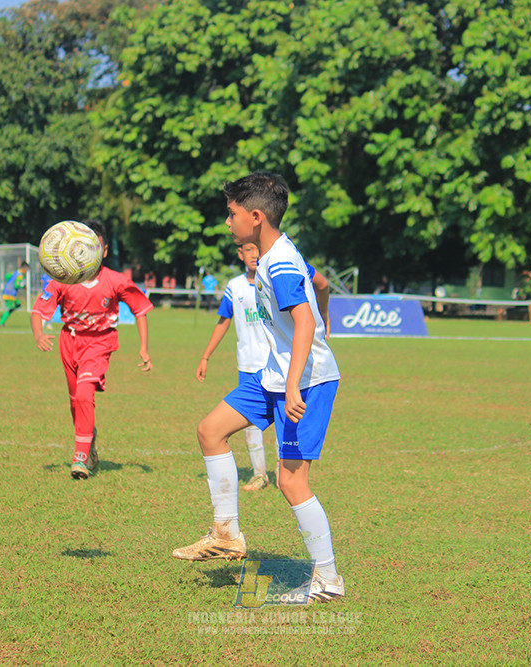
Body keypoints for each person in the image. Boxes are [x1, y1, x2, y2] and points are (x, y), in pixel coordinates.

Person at [173, 172, 345, 604]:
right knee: (210, 431)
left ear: (254, 217)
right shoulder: (272, 256)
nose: (227, 223)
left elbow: (305, 322)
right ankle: (226, 533)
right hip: (271, 376)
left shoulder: (281, 263)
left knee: (291, 483)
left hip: (305, 382)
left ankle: (327, 579)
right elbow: (320, 291)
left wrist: (292, 386)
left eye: (231, 215)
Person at [30, 220, 153, 480]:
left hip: (99, 343)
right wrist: (39, 333)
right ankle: (89, 441)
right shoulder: (64, 278)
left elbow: (140, 310)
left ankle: (80, 458)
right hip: (69, 342)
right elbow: (39, 310)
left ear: (104, 251)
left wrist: (143, 348)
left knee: (85, 394)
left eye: (94, 246)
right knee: (76, 401)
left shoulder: (116, 281)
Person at [196, 242, 271, 492]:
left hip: (275, 364)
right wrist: (206, 356)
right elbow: (223, 322)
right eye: (249, 250)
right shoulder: (235, 287)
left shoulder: (272, 283)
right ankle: (260, 474)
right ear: (240, 254)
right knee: (249, 421)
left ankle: (286, 472)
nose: (255, 255)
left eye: (258, 249)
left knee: (284, 418)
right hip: (247, 365)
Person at [0, 261, 28, 327]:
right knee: (10, 309)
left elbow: (6, 276)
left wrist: (10, 282)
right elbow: (16, 285)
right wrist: (23, 286)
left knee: (18, 304)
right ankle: (1, 323)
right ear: (24, 268)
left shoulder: (15, 272)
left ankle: (3, 315)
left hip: (7, 291)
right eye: (27, 269)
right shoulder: (20, 275)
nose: (26, 271)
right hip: (10, 294)